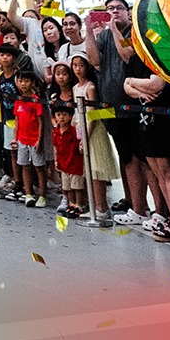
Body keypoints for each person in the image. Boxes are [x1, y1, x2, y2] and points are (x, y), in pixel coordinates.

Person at [84, 0, 152, 224]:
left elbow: (127, 55)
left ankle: (148, 208)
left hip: (135, 107)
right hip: (113, 109)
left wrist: (113, 28)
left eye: (118, 8)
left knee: (144, 160)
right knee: (127, 159)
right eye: (109, 9)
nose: (114, 12)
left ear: (127, 11)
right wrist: (89, 30)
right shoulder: (102, 36)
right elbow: (94, 59)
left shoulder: (134, 32)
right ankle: (135, 205)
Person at [123, 71, 170, 241]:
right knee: (157, 170)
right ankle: (169, 217)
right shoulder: (138, 61)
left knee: (166, 169)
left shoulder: (158, 55)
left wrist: (131, 79)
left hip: (166, 117)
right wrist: (139, 91)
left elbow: (157, 84)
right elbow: (126, 88)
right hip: (147, 117)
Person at [71, 54, 117, 221]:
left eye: (81, 65)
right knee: (88, 170)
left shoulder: (90, 87)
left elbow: (92, 114)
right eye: (75, 65)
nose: (77, 69)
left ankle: (102, 206)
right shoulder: (75, 87)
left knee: (96, 170)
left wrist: (86, 136)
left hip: (93, 130)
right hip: (81, 128)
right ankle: (94, 204)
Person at [13, 70, 47, 207]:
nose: (23, 84)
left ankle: (43, 196)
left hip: (34, 140)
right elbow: (17, 121)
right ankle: (28, 194)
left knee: (39, 167)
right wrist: (15, 138)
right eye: (20, 81)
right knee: (24, 166)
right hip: (22, 140)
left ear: (32, 83)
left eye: (26, 81)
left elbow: (40, 122)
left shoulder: (36, 100)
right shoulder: (18, 100)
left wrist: (39, 139)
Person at [52, 102, 86, 217]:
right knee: (68, 187)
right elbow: (55, 147)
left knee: (77, 186)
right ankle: (71, 204)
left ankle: (79, 205)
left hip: (75, 164)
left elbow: (80, 145)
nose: (61, 117)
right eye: (58, 114)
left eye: (65, 114)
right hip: (63, 164)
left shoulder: (74, 131)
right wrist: (56, 160)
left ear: (70, 116)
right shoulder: (56, 132)